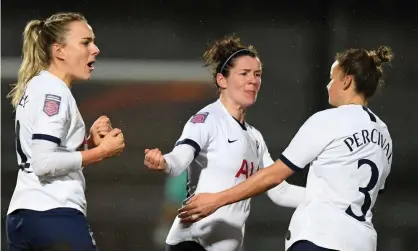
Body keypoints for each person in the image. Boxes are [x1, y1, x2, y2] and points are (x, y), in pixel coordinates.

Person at [178, 46, 394, 251]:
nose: (328, 86)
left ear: (346, 81)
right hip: (363, 242)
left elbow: (273, 176)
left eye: (332, 79)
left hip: (320, 238)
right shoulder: (384, 134)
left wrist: (216, 200)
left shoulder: (328, 120)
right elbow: (362, 192)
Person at [144, 35, 306, 251]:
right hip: (192, 241)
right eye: (244, 73)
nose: (253, 80)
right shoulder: (207, 118)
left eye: (257, 74)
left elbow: (280, 192)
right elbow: (179, 159)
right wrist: (163, 162)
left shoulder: (255, 138)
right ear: (222, 80)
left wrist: (331, 197)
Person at [5, 12, 125, 251]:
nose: (95, 49)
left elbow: (48, 152)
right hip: (53, 213)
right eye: (85, 42)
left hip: (23, 216)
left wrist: (88, 143)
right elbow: (44, 162)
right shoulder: (54, 93)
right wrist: (101, 152)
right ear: (59, 51)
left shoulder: (37, 84)